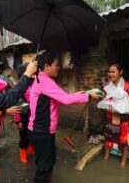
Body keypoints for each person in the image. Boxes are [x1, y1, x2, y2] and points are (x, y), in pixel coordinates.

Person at [28, 51, 99, 183]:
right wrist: (89, 96)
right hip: (42, 130)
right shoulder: (44, 80)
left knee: (45, 163)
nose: (59, 67)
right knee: (45, 167)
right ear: (47, 66)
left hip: (40, 130)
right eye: (56, 64)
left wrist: (78, 94)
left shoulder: (42, 79)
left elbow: (59, 98)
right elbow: (65, 99)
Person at [102, 62, 129, 168]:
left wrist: (119, 107)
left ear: (120, 72)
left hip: (125, 119)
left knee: (125, 140)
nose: (110, 74)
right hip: (110, 117)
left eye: (113, 72)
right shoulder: (107, 86)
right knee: (108, 137)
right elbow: (103, 97)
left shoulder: (128, 87)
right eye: (109, 72)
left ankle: (123, 162)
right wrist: (98, 95)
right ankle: (106, 157)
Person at [14, 63, 34, 164]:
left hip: (33, 115)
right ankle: (23, 152)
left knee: (31, 134)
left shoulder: (33, 82)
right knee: (24, 136)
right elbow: (18, 106)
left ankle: (30, 148)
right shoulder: (20, 87)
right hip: (24, 114)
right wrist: (18, 121)